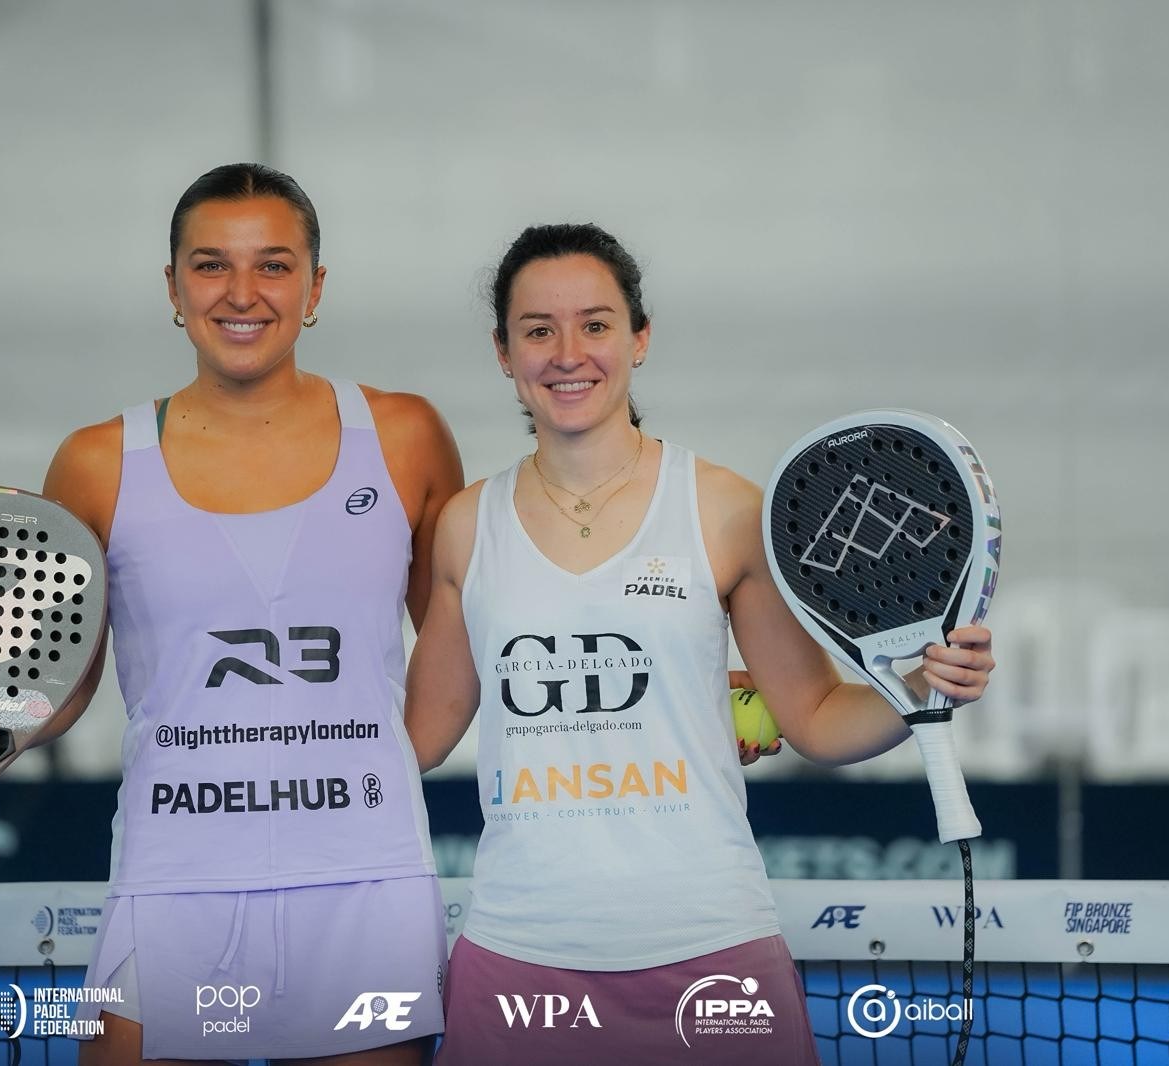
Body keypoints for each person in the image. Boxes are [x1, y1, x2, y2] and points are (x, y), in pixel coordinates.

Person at [0, 163, 465, 1065]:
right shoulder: (98, 460)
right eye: (210, 265)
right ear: (173, 286)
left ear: (315, 287)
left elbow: (454, 643)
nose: (241, 294)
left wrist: (371, 762)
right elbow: (59, 675)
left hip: (365, 880)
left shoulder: (407, 435)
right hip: (172, 876)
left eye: (273, 265)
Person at [402, 223, 995, 1065]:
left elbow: (819, 718)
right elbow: (414, 739)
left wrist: (925, 693)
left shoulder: (724, 508)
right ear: (504, 352)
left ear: (639, 338)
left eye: (596, 324)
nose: (569, 352)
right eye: (538, 329)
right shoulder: (466, 527)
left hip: (711, 954)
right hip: (519, 958)